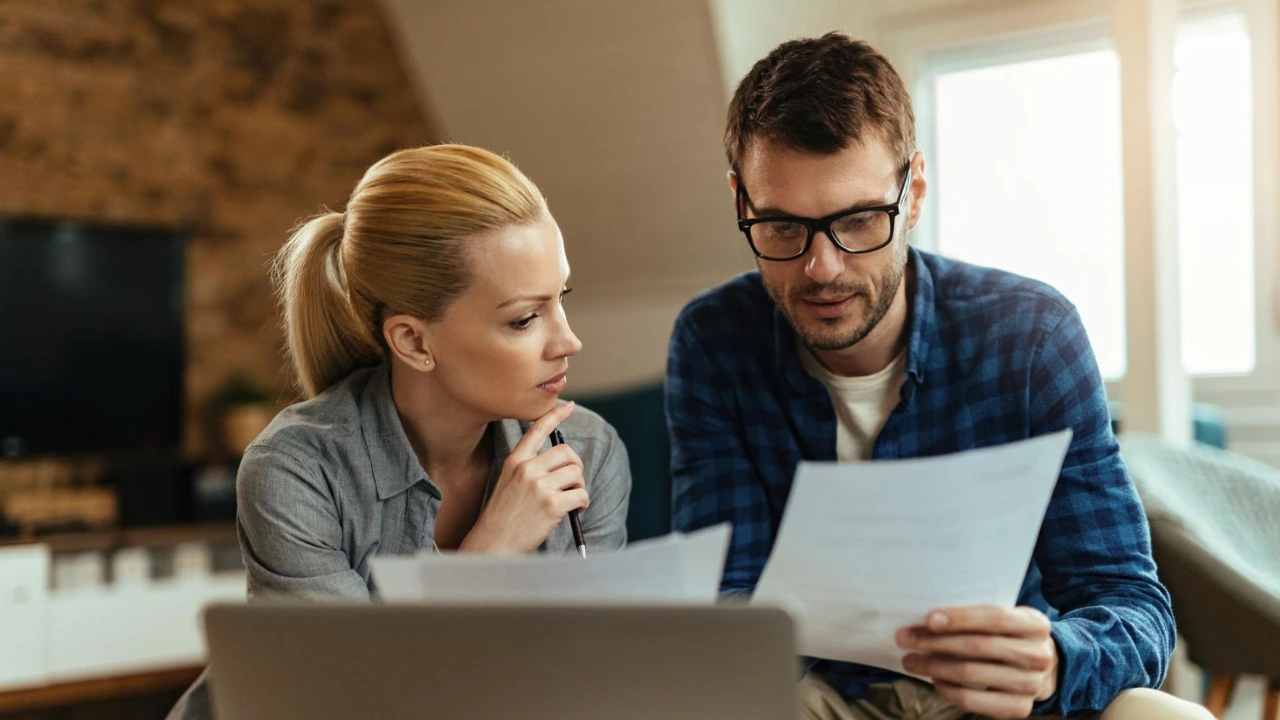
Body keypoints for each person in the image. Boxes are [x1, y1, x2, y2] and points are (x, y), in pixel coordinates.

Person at [666, 33, 1211, 720]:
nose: (822, 267)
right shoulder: (713, 341)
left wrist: (1054, 661)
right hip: (817, 696)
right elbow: (727, 605)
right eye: (780, 227)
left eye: (859, 220)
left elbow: (1132, 604)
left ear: (914, 193)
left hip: (1001, 700)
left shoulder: (1033, 335)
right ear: (741, 203)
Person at [168, 144, 631, 719]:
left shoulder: (590, 451)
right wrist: (489, 553)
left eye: (561, 299)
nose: (569, 341)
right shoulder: (295, 471)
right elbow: (343, 705)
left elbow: (585, 684)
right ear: (412, 341)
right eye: (524, 318)